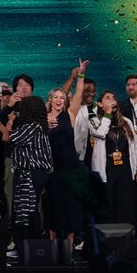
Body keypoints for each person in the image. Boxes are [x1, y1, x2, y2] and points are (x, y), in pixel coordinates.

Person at [45, 61, 88, 246]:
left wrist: (81, 75)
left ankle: (69, 244)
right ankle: (52, 242)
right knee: (53, 204)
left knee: (71, 205)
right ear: (50, 99)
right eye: (55, 97)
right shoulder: (43, 118)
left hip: (70, 167)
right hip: (52, 168)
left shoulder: (69, 114)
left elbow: (78, 94)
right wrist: (45, 126)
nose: (59, 100)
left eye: (61, 97)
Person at [89, 90, 137, 224]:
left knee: (127, 202)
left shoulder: (126, 122)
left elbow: (135, 146)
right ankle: (109, 234)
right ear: (100, 104)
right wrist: (108, 113)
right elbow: (101, 133)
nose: (112, 100)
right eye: (107, 98)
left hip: (125, 166)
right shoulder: (94, 120)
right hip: (107, 166)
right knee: (109, 201)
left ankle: (128, 233)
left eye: (113, 98)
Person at [7, 96, 54, 253]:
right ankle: (24, 247)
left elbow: (10, 137)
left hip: (30, 174)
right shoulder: (39, 127)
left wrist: (10, 121)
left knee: (27, 212)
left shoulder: (32, 127)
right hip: (33, 174)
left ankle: (31, 248)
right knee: (24, 211)